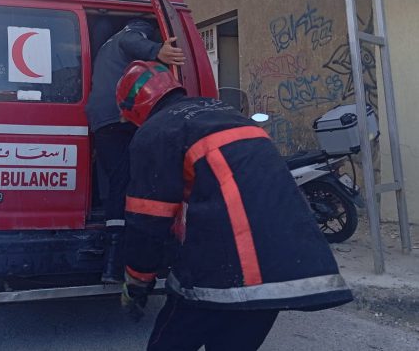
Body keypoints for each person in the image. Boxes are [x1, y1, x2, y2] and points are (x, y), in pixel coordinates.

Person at [115, 61, 353, 350]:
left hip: (222, 270)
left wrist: (138, 281)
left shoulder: (156, 131)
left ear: (134, 108)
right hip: (285, 268)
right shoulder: (228, 114)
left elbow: (148, 220)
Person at [85, 18, 186, 283]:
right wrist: (157, 52)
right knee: (127, 181)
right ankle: (115, 262)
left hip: (101, 120)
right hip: (121, 117)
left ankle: (115, 258)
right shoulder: (128, 35)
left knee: (115, 180)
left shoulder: (104, 49)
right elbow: (133, 40)